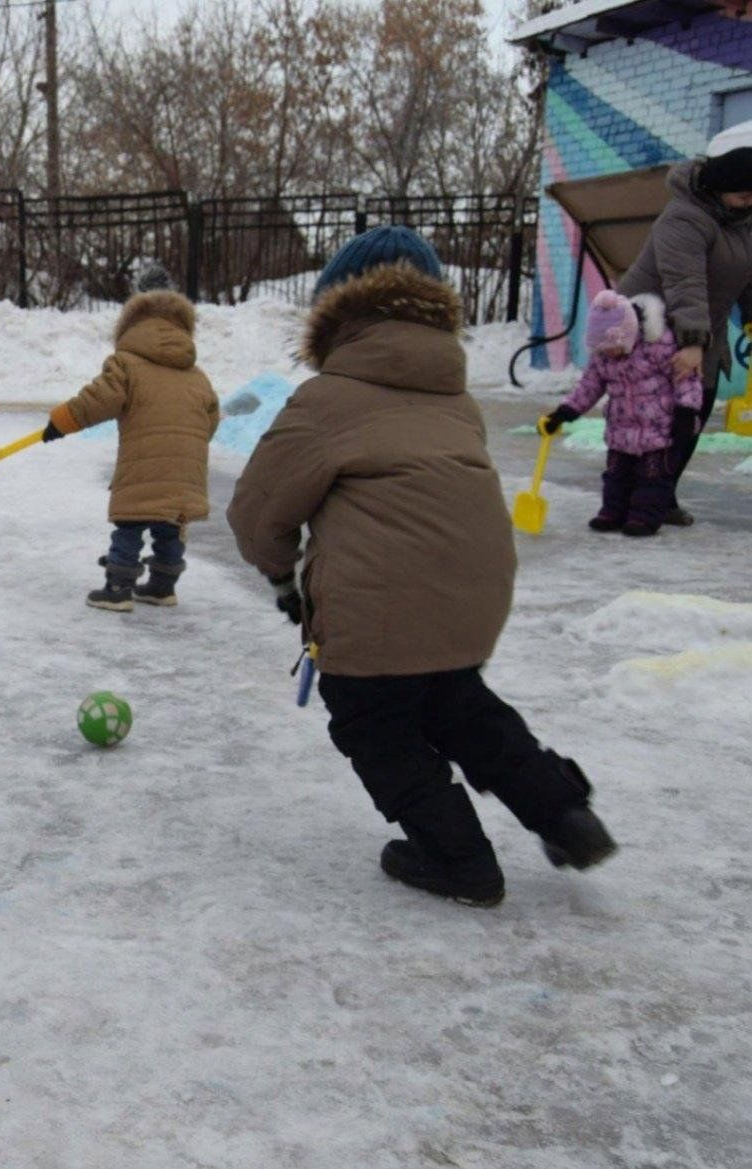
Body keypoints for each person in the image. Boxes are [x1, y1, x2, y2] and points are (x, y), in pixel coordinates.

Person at [227, 226, 616, 907]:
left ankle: (456, 856)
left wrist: (285, 580)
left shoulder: (326, 401)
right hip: (475, 596)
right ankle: (565, 813)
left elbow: (257, 515)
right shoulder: (456, 398)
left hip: (382, 608)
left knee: (374, 721)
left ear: (335, 313)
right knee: (457, 703)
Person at [40, 289, 220, 611]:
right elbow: (211, 419)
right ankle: (162, 587)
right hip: (185, 469)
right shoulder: (197, 376)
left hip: (142, 465)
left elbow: (98, 400)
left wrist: (61, 422)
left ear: (131, 327)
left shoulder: (126, 364)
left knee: (131, 520)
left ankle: (118, 587)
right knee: (170, 525)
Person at [615, 123, 752, 524]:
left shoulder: (741, 221)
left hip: (699, 327)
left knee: (692, 417)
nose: (751, 202)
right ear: (721, 188)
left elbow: (747, 277)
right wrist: (692, 343)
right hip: (653, 328)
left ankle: (662, 495)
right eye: (745, 194)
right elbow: (684, 283)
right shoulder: (683, 219)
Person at [540, 290, 704, 536]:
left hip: (659, 430)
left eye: (612, 347)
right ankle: (613, 512)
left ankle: (644, 518)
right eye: (602, 349)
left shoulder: (659, 345)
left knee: (653, 478)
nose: (608, 354)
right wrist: (564, 412)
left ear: (628, 335)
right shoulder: (602, 357)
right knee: (616, 475)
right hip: (621, 430)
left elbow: (686, 380)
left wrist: (687, 411)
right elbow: (589, 386)